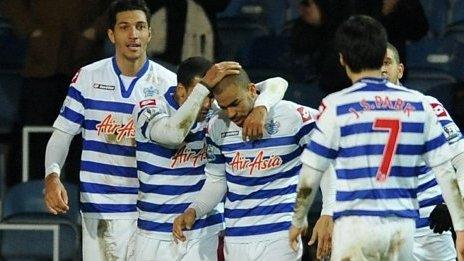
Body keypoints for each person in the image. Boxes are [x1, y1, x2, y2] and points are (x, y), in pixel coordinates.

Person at [288, 15, 464, 260]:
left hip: (423, 228)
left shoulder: (338, 106)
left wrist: (299, 216)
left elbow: (312, 169)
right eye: (379, 62)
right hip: (385, 224)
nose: (383, 69)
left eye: (388, 63)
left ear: (400, 69)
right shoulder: (420, 106)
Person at [43, 0, 179, 260]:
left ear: (150, 33)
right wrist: (52, 176)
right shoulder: (87, 77)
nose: (133, 34)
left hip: (154, 210)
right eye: (124, 27)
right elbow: (62, 135)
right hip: (101, 206)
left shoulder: (169, 84)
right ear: (111, 34)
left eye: (140, 27)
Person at [129, 57, 288, 260]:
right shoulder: (148, 109)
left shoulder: (218, 114)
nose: (206, 103)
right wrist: (204, 87)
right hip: (154, 231)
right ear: (181, 91)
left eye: (210, 96)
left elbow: (277, 83)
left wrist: (261, 106)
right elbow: (173, 135)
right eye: (200, 93)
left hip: (204, 230)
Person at [171, 68, 319, 260]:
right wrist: (194, 210)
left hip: (280, 233)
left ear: (251, 90)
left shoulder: (294, 116)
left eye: (235, 103)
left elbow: (324, 164)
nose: (231, 113)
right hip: (235, 237)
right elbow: (217, 181)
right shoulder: (217, 126)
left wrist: (327, 212)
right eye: (225, 107)